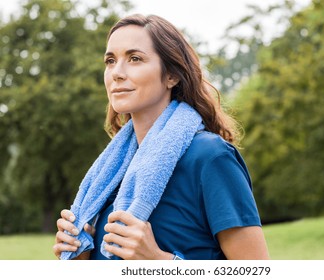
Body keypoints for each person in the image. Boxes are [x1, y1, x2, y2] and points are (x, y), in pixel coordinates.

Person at [53, 14, 269, 260]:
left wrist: (158, 261)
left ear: (171, 76)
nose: (117, 73)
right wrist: (81, 257)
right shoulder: (113, 171)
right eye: (110, 61)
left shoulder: (210, 157)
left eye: (135, 59)